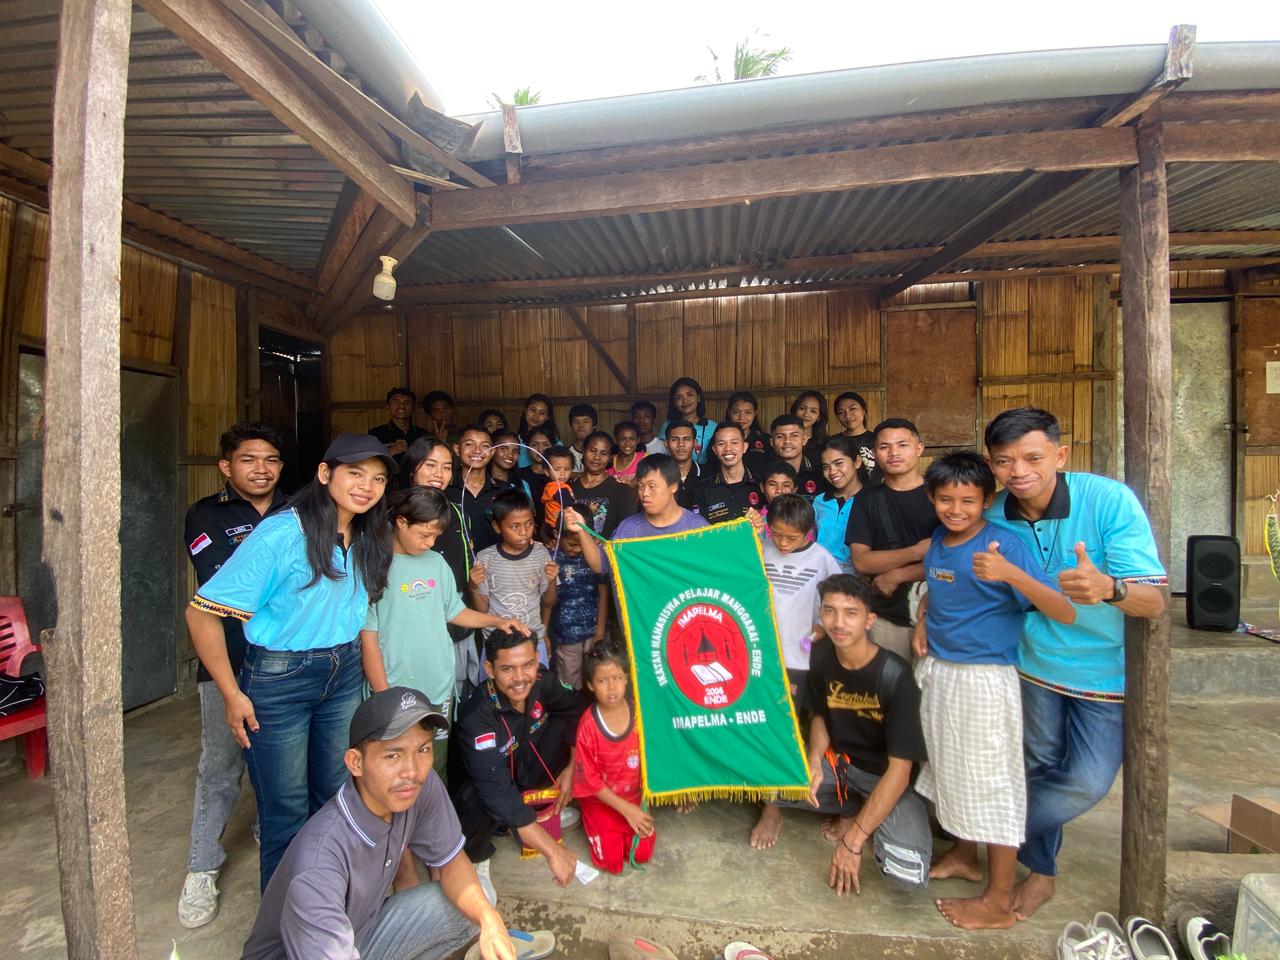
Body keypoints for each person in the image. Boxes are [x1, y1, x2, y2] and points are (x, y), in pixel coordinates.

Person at [980, 407, 1167, 920]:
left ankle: (985, 829)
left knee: (1087, 781)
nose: (1019, 471)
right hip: (1034, 664)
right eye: (1004, 461)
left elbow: (1155, 603)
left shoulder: (1107, 501)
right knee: (1038, 765)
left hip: (1104, 672)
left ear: (1060, 455)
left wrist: (1110, 588)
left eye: (1032, 458)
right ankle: (1041, 873)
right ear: (992, 465)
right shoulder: (994, 515)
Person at [187, 433, 396, 889]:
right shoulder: (283, 533)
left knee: (336, 799)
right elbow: (201, 614)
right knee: (285, 814)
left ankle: (328, 905)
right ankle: (284, 923)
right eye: (355, 473)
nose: (367, 486)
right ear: (324, 473)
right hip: (280, 680)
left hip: (343, 675)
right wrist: (231, 694)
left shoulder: (367, 533)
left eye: (378, 479)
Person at [909, 451, 1075, 930]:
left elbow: (1064, 610)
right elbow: (938, 587)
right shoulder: (940, 538)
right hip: (942, 672)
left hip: (983, 680)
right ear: (932, 498)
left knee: (992, 784)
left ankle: (999, 901)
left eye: (968, 501)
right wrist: (922, 619)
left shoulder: (1006, 546)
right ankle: (965, 855)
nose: (956, 509)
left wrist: (1011, 575)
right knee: (951, 771)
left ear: (987, 499)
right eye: (946, 499)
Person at [240, 688, 515, 960]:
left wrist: (491, 922)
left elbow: (452, 862)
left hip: (359, 932)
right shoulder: (318, 864)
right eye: (392, 755)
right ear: (356, 763)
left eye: (423, 749)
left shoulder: (417, 785)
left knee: (480, 899)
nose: (412, 770)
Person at [749, 574, 931, 897]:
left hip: (884, 779)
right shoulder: (821, 655)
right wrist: (814, 759)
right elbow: (820, 714)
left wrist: (854, 841)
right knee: (762, 779)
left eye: (851, 613)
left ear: (869, 620)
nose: (838, 622)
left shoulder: (896, 676)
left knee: (907, 873)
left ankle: (862, 816)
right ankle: (850, 808)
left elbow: (900, 772)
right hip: (839, 768)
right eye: (830, 611)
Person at [178, 422, 286, 929]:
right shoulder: (206, 514)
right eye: (248, 459)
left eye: (271, 460)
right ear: (226, 466)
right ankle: (201, 867)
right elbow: (223, 582)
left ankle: (272, 832)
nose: (261, 469)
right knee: (221, 765)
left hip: (287, 659)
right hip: (228, 659)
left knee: (282, 758)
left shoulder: (297, 510)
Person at [360, 487, 532, 779]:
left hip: (438, 686)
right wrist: (384, 695)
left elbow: (454, 612)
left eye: (436, 536)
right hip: (394, 687)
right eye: (425, 535)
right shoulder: (375, 566)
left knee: (435, 765)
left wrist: (497, 620)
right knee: (395, 769)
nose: (431, 543)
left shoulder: (436, 563)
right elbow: (369, 639)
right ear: (401, 522)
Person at [451, 632, 585, 887]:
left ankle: (541, 807)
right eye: (507, 669)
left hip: (523, 766)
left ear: (537, 659)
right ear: (489, 669)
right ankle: (476, 856)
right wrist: (553, 851)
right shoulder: (477, 716)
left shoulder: (542, 681)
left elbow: (577, 708)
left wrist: (573, 766)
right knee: (475, 797)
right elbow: (495, 791)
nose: (520, 678)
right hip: (491, 787)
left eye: (528, 665)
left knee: (565, 727)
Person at [845, 418, 939, 661]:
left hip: (938, 612)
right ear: (874, 453)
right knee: (889, 680)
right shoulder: (866, 499)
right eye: (885, 446)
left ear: (919, 448)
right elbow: (862, 561)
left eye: (902, 445)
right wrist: (917, 552)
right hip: (886, 616)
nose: (894, 452)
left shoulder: (941, 495)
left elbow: (955, 559)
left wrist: (898, 574)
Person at [404, 437, 481, 701]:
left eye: (447, 467)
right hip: (411, 617)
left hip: (456, 615)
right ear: (412, 468)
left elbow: (464, 563)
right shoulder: (394, 514)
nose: (439, 474)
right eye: (430, 465)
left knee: (456, 689)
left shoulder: (457, 513)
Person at [573, 643, 655, 875]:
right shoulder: (588, 726)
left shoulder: (639, 714)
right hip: (602, 802)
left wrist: (640, 807)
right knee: (611, 862)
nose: (611, 688)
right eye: (602, 680)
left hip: (634, 798)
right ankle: (595, 823)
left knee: (642, 854)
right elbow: (589, 780)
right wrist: (627, 811)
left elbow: (653, 760)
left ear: (626, 678)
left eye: (617, 678)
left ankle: (627, 822)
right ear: (590, 685)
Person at [568, 454, 709, 581]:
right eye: (641, 486)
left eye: (652, 486)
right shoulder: (628, 529)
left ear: (673, 486)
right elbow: (601, 565)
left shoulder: (697, 528)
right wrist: (582, 530)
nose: (645, 493)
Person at [759, 495, 841, 706]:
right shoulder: (760, 550)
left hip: (797, 654)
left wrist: (822, 625)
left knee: (788, 711)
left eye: (792, 538)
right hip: (762, 651)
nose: (783, 543)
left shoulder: (821, 558)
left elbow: (840, 598)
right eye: (776, 534)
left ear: (807, 532)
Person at [471, 490, 558, 668]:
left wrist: (551, 581)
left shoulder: (541, 554)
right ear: (497, 527)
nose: (523, 532)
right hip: (496, 644)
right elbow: (482, 609)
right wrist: (473, 587)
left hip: (532, 640)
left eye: (529, 524)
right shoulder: (485, 558)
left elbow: (549, 602)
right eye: (515, 526)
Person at [545, 503, 609, 689]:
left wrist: (600, 631)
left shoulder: (595, 556)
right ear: (557, 535)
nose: (577, 549)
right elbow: (547, 601)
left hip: (593, 632)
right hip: (565, 634)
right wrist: (544, 632)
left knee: (597, 677)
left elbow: (604, 592)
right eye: (572, 544)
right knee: (569, 682)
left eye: (581, 543)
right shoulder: (551, 557)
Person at [447, 425, 511, 553]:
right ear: (457, 449)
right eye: (469, 444)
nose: (477, 450)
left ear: (492, 452)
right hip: (455, 562)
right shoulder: (445, 489)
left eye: (485, 446)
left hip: (495, 562)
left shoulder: (505, 491)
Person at [691, 422, 763, 524]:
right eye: (721, 444)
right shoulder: (702, 490)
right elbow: (700, 529)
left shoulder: (760, 486)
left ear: (744, 447)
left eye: (734, 442)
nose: (728, 448)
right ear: (714, 450)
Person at [572, 430, 638, 538]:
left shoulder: (622, 490)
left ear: (610, 458)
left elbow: (628, 531)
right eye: (592, 450)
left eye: (604, 453)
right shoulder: (569, 488)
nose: (597, 457)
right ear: (583, 451)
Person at [814, 435, 865, 572]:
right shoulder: (820, 501)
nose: (832, 472)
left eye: (839, 463)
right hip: (819, 574)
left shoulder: (872, 500)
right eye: (826, 467)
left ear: (857, 462)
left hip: (855, 578)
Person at [659, 377, 716, 464]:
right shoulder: (667, 425)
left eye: (689, 395)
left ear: (698, 397)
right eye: (679, 397)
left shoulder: (712, 427)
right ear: (674, 402)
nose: (685, 400)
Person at [769, 414, 824, 500]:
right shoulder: (765, 473)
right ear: (772, 442)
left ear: (804, 440)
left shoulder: (820, 472)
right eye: (780, 436)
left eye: (794, 436)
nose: (787, 441)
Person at [369, 387, 428, 461]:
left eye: (407, 403)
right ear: (388, 406)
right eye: (396, 402)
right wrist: (391, 451)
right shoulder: (376, 434)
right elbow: (369, 461)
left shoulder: (423, 435)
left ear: (413, 408)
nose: (401, 406)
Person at [514, 424, 555, 518]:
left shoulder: (559, 476)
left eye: (546, 445)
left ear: (552, 447)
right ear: (527, 447)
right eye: (534, 445)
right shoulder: (518, 475)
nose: (540, 449)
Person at [725, 390, 772, 474]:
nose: (741, 417)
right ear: (729, 412)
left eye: (748, 412)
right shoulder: (719, 439)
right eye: (736, 412)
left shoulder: (765, 440)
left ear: (755, 413)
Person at [833, 391, 877, 476]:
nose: (847, 415)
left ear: (863, 410)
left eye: (852, 409)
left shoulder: (877, 439)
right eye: (841, 412)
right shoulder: (832, 442)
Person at [663, 420, 703, 508]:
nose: (681, 444)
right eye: (674, 439)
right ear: (666, 444)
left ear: (695, 443)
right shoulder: (658, 475)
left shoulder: (708, 475)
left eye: (687, 439)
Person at [539, 445, 577, 531]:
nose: (562, 473)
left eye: (567, 469)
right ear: (546, 471)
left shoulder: (551, 486)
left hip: (553, 524)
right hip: (559, 526)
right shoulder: (556, 487)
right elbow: (569, 504)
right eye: (557, 469)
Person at [516, 393, 558, 468]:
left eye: (542, 413)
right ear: (525, 411)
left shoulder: (556, 443)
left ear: (547, 417)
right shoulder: (515, 441)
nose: (536, 416)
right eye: (532, 410)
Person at [487, 428, 528, 497]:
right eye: (503, 449)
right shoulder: (480, 482)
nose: (510, 455)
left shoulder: (522, 485)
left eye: (515, 451)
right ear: (492, 450)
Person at [790, 389, 828, 461]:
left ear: (819, 417)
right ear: (795, 410)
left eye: (813, 411)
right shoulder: (784, 440)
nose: (806, 414)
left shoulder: (826, 444)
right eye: (802, 408)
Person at [567, 403, 598, 473]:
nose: (581, 425)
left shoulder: (603, 453)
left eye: (586, 421)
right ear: (571, 426)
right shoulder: (565, 453)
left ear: (594, 425)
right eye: (576, 422)